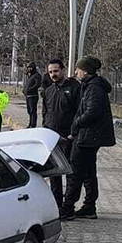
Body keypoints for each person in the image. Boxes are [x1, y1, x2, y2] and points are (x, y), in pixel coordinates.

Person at [61, 56, 114, 220]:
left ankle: (67, 207)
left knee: (75, 171)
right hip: (91, 136)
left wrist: (76, 123)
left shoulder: (93, 88)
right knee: (89, 171)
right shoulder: (91, 86)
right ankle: (89, 206)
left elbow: (92, 112)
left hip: (88, 136)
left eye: (78, 69)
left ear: (85, 70)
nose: (76, 72)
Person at [41, 58, 81, 207]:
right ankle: (56, 204)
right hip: (52, 138)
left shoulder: (74, 87)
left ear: (63, 70)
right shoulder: (49, 91)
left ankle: (69, 205)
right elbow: (45, 113)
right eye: (50, 72)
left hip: (69, 138)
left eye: (56, 71)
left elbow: (79, 112)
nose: (53, 74)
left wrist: (73, 134)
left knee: (71, 173)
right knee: (54, 173)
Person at [22, 63, 42, 128]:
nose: (28, 69)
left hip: (33, 96)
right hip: (28, 96)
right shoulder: (30, 76)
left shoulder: (37, 75)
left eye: (30, 67)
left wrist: (29, 90)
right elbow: (27, 84)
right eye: (28, 68)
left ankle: (33, 125)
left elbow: (37, 85)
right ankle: (30, 123)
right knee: (29, 111)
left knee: (33, 111)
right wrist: (24, 90)